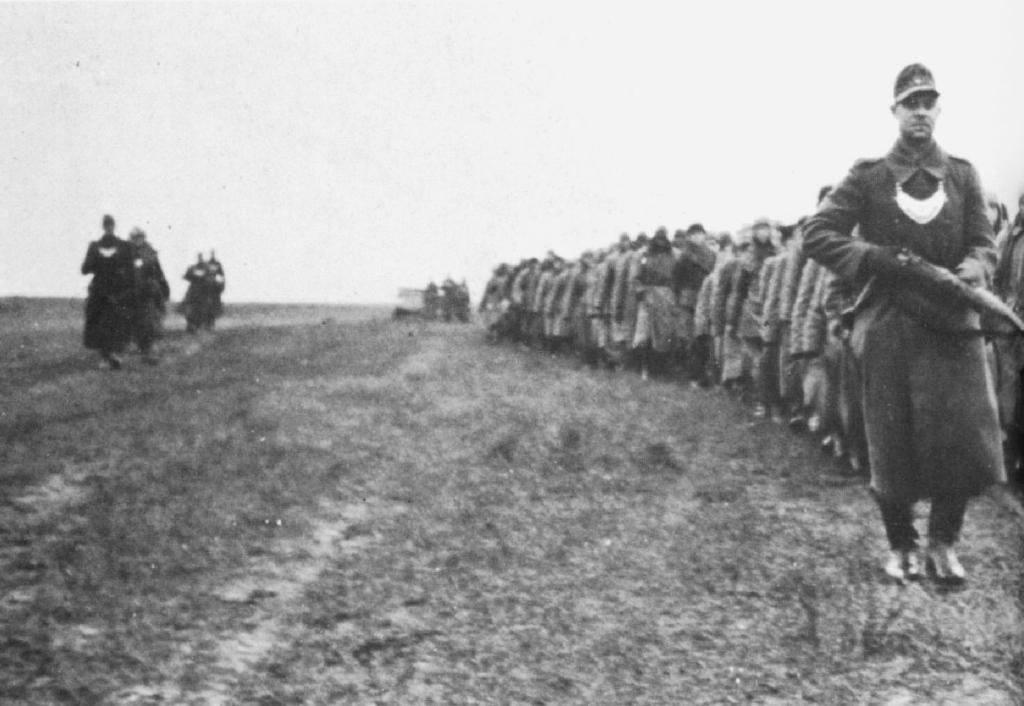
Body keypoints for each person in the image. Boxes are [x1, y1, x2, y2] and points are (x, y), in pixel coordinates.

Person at [803, 63, 1004, 584]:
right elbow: (817, 233)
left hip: (953, 325)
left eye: (928, 102)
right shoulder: (868, 176)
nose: (920, 112)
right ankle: (902, 546)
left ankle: (944, 542)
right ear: (893, 111)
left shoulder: (962, 174)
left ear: (938, 109)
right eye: (910, 103)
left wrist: (968, 273)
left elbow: (984, 244)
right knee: (891, 440)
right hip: (890, 324)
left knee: (959, 437)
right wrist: (872, 258)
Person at [81, 214, 135, 369]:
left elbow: (130, 269)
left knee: (119, 321)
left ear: (114, 226)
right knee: (98, 321)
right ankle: (105, 356)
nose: (109, 228)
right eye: (106, 225)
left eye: (110, 225)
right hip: (100, 289)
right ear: (103, 227)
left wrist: (127, 285)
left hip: (118, 290)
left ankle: (115, 354)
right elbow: (85, 269)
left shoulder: (124, 245)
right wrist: (95, 263)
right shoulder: (95, 246)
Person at [632, 229, 678, 379]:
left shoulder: (673, 256)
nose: (661, 243)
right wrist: (641, 291)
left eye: (663, 240)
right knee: (645, 334)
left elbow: (677, 277)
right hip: (648, 295)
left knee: (664, 334)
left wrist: (673, 294)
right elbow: (635, 277)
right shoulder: (644, 255)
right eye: (658, 240)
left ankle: (660, 369)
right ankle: (644, 368)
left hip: (667, 297)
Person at [128, 227, 170, 363]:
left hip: (147, 293)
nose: (137, 240)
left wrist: (164, 287)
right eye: (134, 238)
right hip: (131, 292)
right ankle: (140, 347)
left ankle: (149, 351)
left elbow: (158, 271)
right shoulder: (126, 252)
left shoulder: (150, 252)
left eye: (139, 237)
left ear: (143, 237)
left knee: (149, 322)